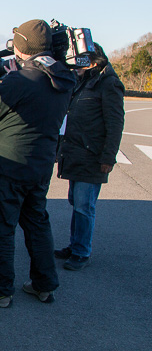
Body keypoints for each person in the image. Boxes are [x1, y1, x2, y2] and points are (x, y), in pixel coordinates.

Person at [0, 19, 76, 307]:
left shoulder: (21, 79)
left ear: (23, 45)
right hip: (41, 166)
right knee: (37, 224)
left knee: (0, 226)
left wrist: (11, 79)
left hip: (10, 166)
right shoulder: (64, 77)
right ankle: (44, 284)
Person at [55, 43, 125, 271]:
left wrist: (108, 157)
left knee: (84, 206)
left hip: (92, 156)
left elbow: (115, 124)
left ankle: (81, 252)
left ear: (95, 61)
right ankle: (75, 245)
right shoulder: (82, 82)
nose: (77, 64)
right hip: (75, 153)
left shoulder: (108, 84)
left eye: (82, 60)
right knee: (76, 203)